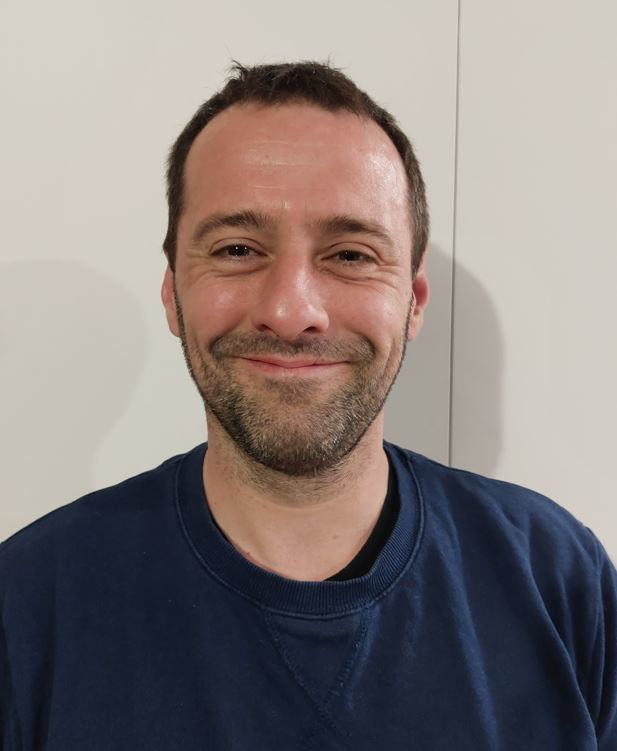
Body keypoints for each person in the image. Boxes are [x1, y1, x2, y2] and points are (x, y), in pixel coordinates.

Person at [1, 61, 615, 750]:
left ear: (412, 303)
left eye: (350, 255)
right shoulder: (29, 601)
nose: (292, 312)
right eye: (237, 248)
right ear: (174, 294)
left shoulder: (557, 578)